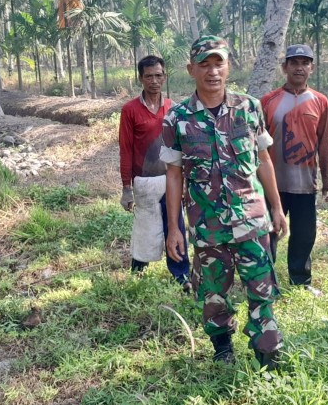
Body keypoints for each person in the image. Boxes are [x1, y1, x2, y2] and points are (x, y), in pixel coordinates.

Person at [160, 35, 287, 369]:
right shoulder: (178, 119)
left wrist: (276, 207)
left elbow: (263, 160)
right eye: (204, 64)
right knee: (213, 294)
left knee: (262, 289)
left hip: (252, 220)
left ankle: (267, 354)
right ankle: (222, 349)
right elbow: (174, 175)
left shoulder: (249, 108)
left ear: (228, 66)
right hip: (207, 226)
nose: (212, 71)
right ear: (191, 70)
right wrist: (173, 228)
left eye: (219, 63)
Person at [261, 43, 328, 294]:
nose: (299, 67)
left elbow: (324, 143)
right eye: (294, 63)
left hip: (305, 184)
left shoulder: (320, 102)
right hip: (272, 184)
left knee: (304, 235)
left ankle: (301, 282)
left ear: (311, 68)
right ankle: (265, 284)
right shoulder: (268, 101)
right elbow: (256, 146)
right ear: (285, 67)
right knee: (269, 234)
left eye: (305, 63)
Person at [119, 56, 191, 291]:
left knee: (176, 227)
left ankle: (181, 277)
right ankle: (137, 274)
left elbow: (183, 148)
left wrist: (186, 183)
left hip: (171, 178)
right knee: (146, 229)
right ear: (140, 78)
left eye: (158, 75)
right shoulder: (130, 110)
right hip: (145, 181)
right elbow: (126, 149)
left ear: (165, 77)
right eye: (148, 76)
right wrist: (126, 188)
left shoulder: (174, 108)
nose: (154, 81)